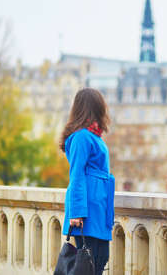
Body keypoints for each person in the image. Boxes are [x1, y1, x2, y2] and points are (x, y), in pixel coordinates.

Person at [59, 87, 115, 275]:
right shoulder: (82, 137)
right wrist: (77, 212)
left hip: (97, 209)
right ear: (95, 107)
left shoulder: (94, 136)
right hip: (87, 212)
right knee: (89, 264)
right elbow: (76, 174)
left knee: (99, 259)